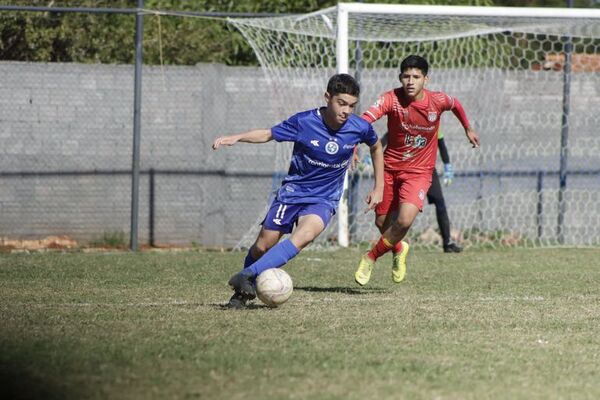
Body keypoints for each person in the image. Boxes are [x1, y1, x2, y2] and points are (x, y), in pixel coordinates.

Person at [212, 73, 384, 308]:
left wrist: (379, 187)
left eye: (352, 106)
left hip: (323, 198)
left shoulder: (359, 127)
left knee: (305, 235)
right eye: (341, 103)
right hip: (292, 193)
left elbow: (376, 146)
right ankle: (245, 282)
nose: (346, 111)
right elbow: (268, 134)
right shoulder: (304, 122)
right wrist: (237, 137)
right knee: (263, 245)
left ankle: (244, 279)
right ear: (327, 97)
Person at [354, 55, 479, 286]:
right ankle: (399, 249)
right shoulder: (390, 99)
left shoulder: (437, 101)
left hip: (419, 173)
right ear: (400, 78)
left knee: (403, 221)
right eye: (406, 76)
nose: (410, 81)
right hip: (390, 169)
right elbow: (365, 119)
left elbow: (456, 104)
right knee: (382, 223)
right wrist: (352, 142)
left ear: (425, 79)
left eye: (416, 77)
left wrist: (468, 128)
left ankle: (370, 257)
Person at [428, 129, 463, 253]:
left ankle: (447, 242)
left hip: (428, 170)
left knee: (440, 203)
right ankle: (391, 241)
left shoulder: (434, 120)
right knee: (400, 205)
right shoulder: (408, 117)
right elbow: (390, 136)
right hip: (410, 168)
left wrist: (447, 165)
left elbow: (441, 145)